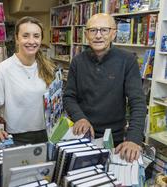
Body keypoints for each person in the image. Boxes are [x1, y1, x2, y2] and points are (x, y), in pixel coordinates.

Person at [63, 13, 147, 162]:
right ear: (86, 34)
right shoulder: (77, 61)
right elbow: (69, 96)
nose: (98, 35)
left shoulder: (127, 60)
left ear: (114, 33)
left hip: (114, 138)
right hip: (82, 135)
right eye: (93, 30)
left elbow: (138, 102)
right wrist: (80, 118)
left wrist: (134, 138)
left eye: (104, 30)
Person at [0, 16, 55, 145]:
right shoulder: (4, 69)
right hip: (17, 138)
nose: (31, 41)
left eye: (36, 36)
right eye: (25, 36)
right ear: (17, 39)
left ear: (41, 39)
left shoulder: (48, 67)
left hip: (48, 134)